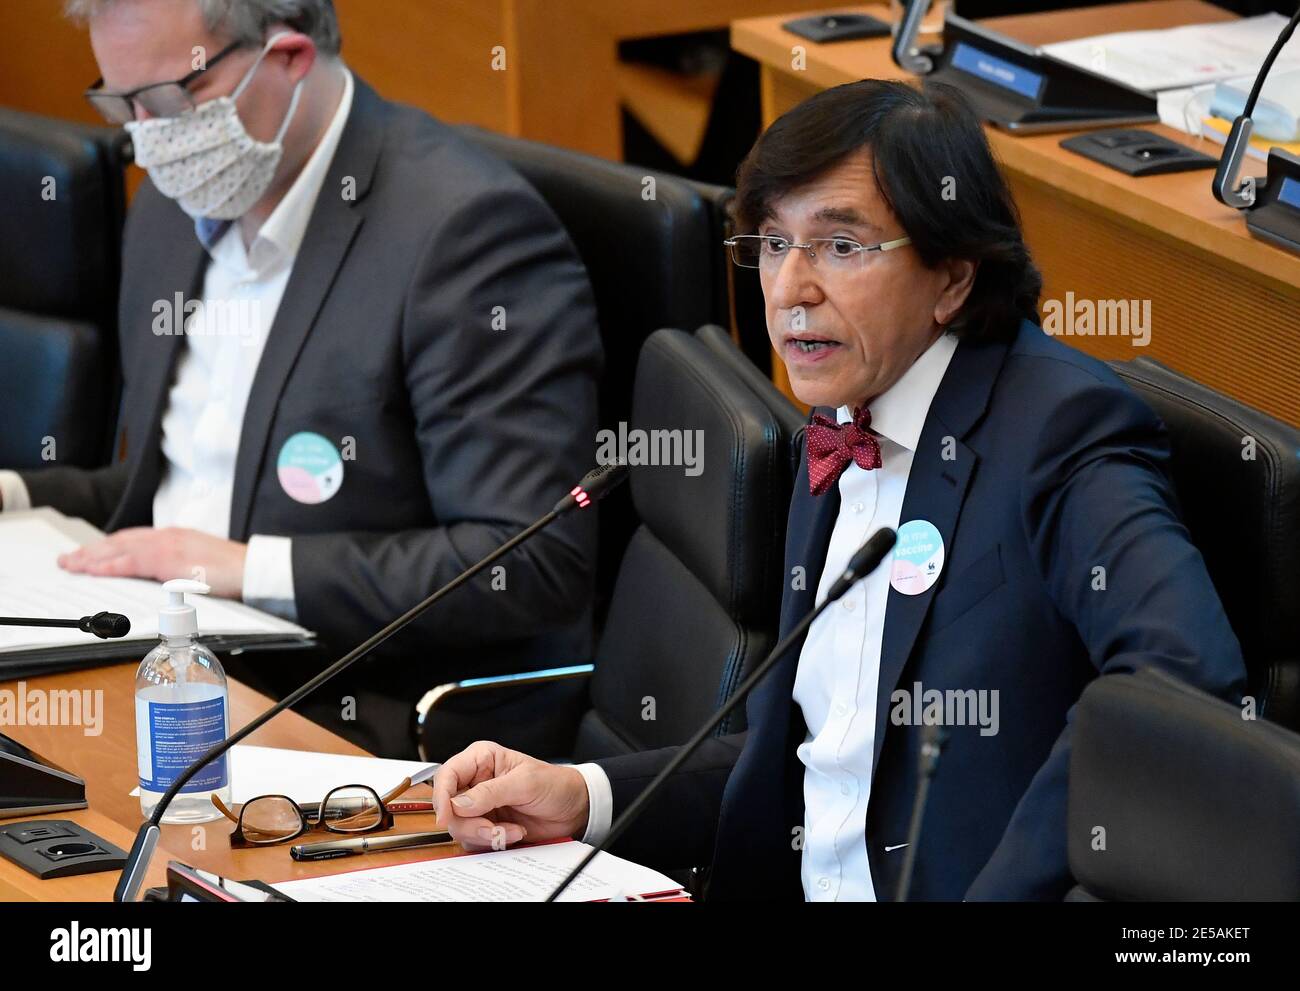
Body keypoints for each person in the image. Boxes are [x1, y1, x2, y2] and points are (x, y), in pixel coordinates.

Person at [431, 79, 1247, 900]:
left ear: (953, 277)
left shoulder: (1061, 430)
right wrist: (583, 796)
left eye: (841, 247)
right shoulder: (840, 416)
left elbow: (1180, 675)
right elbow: (815, 763)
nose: (790, 291)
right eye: (774, 244)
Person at [0, 0, 602, 757]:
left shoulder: (467, 236)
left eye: (165, 102)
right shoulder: (171, 202)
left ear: (286, 58)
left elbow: (528, 559)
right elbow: (192, 488)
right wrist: (16, 495)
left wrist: (247, 569)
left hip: (357, 711)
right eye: (120, 105)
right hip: (171, 663)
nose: (146, 144)